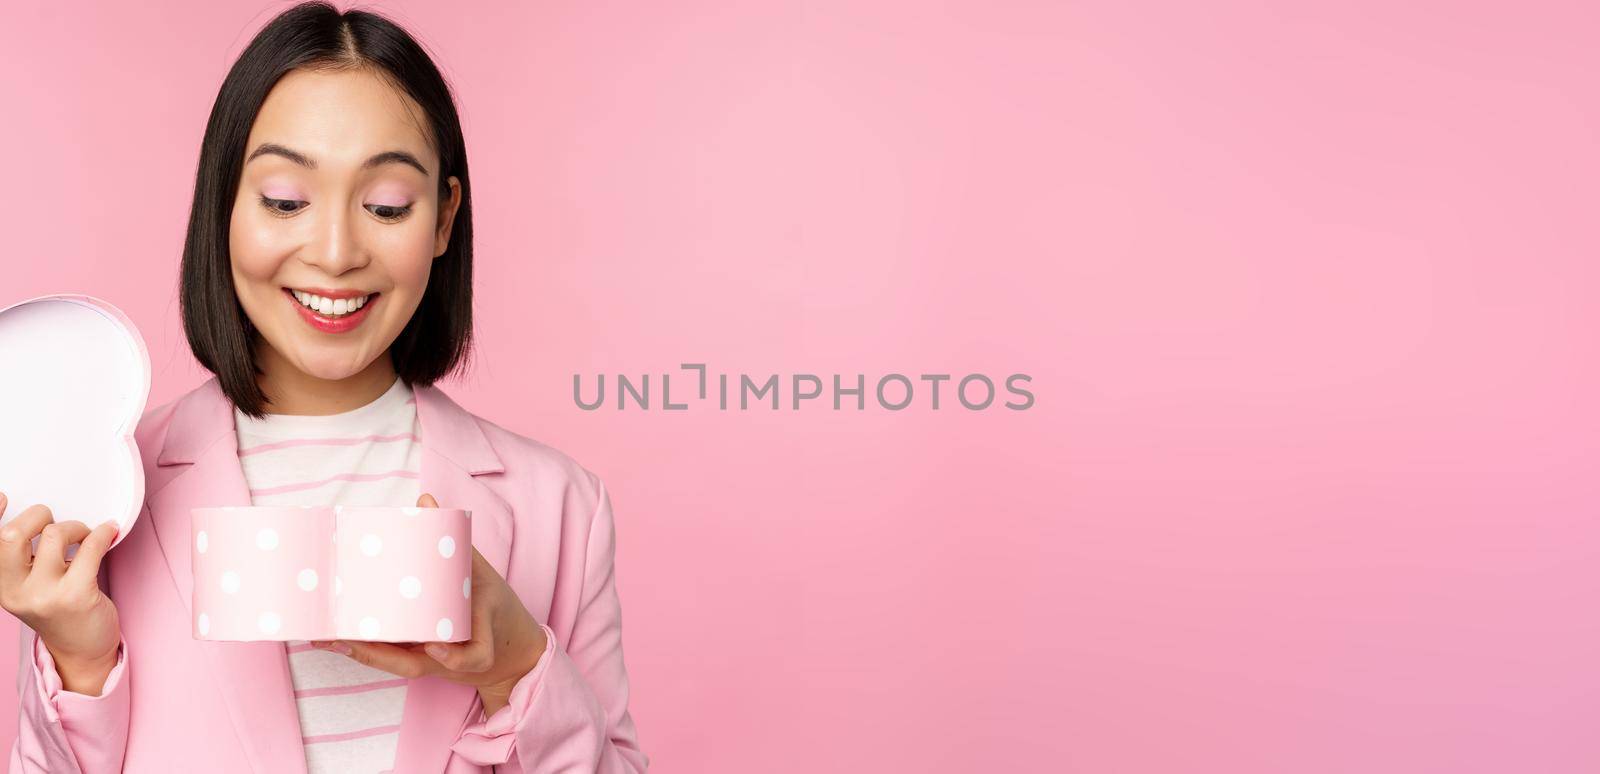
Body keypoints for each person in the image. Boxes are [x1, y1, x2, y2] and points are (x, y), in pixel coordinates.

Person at [0, 3, 649, 772]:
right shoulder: (106, 499)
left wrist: (515, 667)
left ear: (442, 220)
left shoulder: (561, 506)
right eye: (284, 200)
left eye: (386, 206)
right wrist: (78, 659)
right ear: (225, 206)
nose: (336, 252)